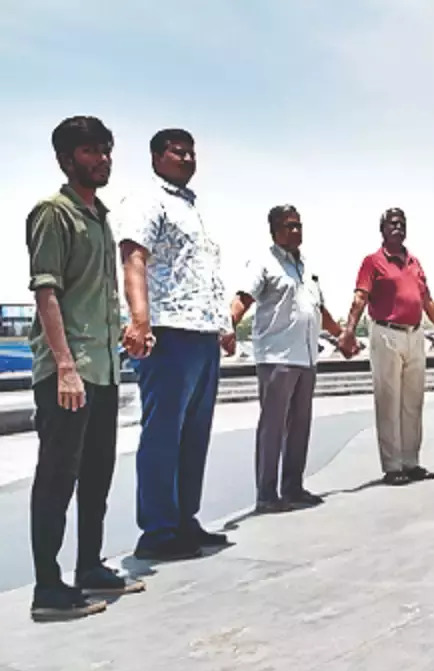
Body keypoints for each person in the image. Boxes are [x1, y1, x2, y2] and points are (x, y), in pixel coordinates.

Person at [26, 116, 145, 621]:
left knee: (96, 473)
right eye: (91, 151)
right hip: (67, 373)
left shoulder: (100, 216)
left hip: (103, 369)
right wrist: (65, 367)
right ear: (66, 158)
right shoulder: (53, 213)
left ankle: (89, 566)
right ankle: (48, 589)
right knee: (57, 476)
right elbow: (46, 292)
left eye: (107, 150)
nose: (102, 159)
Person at [117, 128, 235, 561]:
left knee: (195, 435)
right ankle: (158, 531)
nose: (186, 158)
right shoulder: (147, 200)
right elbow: (134, 258)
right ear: (155, 156)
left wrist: (222, 324)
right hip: (168, 331)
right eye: (176, 151)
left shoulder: (191, 209)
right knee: (164, 433)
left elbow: (200, 273)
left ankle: (185, 520)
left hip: (201, 334)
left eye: (191, 152)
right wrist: (140, 320)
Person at [229, 206, 347, 513]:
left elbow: (319, 310)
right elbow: (243, 298)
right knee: (273, 425)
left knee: (300, 425)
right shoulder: (264, 264)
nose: (295, 231)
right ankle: (267, 494)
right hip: (276, 356)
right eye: (288, 226)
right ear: (274, 230)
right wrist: (226, 326)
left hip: (306, 357)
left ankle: (293, 487)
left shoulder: (305, 267)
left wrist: (342, 336)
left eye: (298, 226)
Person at [338, 209, 434, 485]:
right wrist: (348, 332)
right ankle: (393, 466)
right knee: (389, 401)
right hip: (386, 334)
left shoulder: (414, 262)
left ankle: (411, 461)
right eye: (392, 223)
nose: (397, 227)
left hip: (415, 335)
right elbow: (360, 298)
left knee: (413, 401)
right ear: (382, 229)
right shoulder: (373, 262)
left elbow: (427, 301)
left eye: (402, 223)